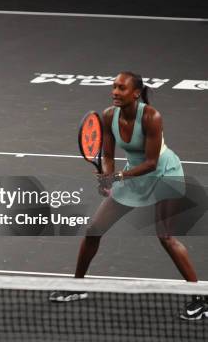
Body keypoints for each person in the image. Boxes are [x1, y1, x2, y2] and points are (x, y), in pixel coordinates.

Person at [49, 71, 206, 320]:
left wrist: (117, 178)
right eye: (113, 87)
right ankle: (77, 286)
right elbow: (109, 156)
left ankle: (200, 297)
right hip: (132, 176)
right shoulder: (109, 115)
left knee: (166, 237)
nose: (114, 92)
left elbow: (152, 163)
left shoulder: (152, 117)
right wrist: (107, 177)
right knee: (94, 229)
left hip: (164, 174)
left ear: (136, 93)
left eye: (121, 88)